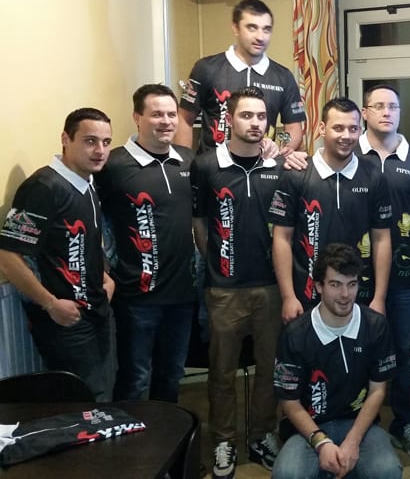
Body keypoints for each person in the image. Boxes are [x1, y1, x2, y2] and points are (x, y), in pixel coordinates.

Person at [191, 87, 285, 477]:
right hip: (224, 289)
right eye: (247, 115)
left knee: (269, 368)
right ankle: (224, 440)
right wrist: (219, 264)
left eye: (262, 116)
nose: (256, 123)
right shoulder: (206, 165)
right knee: (222, 371)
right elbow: (199, 225)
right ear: (229, 119)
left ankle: (262, 435)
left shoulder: (280, 167)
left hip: (271, 287)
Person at [0, 108, 116, 401]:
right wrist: (50, 304)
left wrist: (105, 276)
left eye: (106, 142)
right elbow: (8, 254)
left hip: (96, 310)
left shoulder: (87, 182)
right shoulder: (42, 187)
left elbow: (85, 237)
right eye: (90, 141)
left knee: (102, 396)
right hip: (66, 321)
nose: (100, 150)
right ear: (66, 139)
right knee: (83, 403)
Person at [95, 84, 195, 403]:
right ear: (137, 117)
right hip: (136, 297)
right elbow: (88, 218)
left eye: (171, 114)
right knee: (135, 379)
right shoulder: (112, 166)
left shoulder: (188, 161)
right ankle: (133, 437)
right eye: (156, 114)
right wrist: (102, 269)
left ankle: (166, 434)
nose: (166, 121)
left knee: (172, 375)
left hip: (182, 294)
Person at [356, 84, 410, 453]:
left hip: (406, 278)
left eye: (393, 106)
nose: (386, 112)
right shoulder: (349, 154)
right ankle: (362, 421)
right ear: (365, 113)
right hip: (356, 279)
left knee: (408, 349)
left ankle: (405, 420)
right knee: (360, 348)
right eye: (378, 106)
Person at [272, 243, 402, 479]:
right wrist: (321, 443)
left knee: (387, 471)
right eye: (335, 285)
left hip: (360, 425)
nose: (345, 295)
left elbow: (377, 391)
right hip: (309, 430)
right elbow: (289, 402)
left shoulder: (376, 326)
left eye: (352, 284)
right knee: (287, 474)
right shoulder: (295, 334)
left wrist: (353, 440)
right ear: (318, 286)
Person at [270, 97, 392, 323]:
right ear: (322, 128)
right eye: (338, 128)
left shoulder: (374, 175)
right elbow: (282, 238)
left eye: (353, 128)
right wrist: (288, 297)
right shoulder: (296, 174)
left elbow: (382, 238)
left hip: (359, 296)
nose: (346, 135)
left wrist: (380, 298)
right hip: (305, 296)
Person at [177, 0, 305, 156]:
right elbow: (184, 119)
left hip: (262, 165)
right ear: (236, 28)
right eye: (252, 28)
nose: (260, 37)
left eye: (266, 29)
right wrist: (185, 164)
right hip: (212, 165)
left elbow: (293, 127)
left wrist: (282, 149)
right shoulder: (206, 68)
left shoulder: (283, 77)